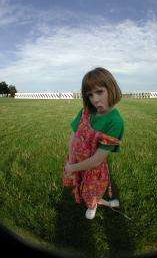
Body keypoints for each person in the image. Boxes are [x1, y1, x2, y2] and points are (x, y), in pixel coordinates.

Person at [63, 67, 125, 220]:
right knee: (80, 187)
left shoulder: (115, 121)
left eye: (99, 92)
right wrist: (71, 160)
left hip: (92, 168)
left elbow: (97, 159)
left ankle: (94, 205)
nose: (95, 99)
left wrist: (72, 168)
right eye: (90, 95)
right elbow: (73, 137)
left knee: (90, 192)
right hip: (76, 162)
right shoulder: (86, 111)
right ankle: (102, 203)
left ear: (111, 88)